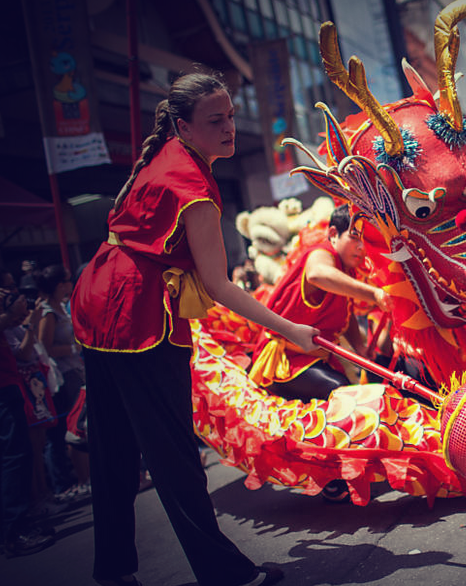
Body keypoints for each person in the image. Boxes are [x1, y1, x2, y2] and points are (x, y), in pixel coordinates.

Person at [70, 72, 318, 586]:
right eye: (216, 120)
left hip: (98, 297)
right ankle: (225, 574)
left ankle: (113, 571)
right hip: (133, 312)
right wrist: (289, 328)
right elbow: (220, 286)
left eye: (230, 115)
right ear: (183, 126)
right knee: (173, 453)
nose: (230, 127)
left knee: (115, 447)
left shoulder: (168, 158)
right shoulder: (192, 186)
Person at [248, 205, 390, 402]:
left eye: (365, 240)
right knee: (343, 395)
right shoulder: (321, 253)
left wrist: (360, 348)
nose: (361, 247)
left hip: (315, 357)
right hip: (285, 360)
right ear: (333, 233)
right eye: (354, 237)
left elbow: (345, 316)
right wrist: (375, 294)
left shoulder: (346, 268)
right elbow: (317, 274)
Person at [0, 282, 55, 557]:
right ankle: (14, 531)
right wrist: (16, 316)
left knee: (18, 454)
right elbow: (22, 349)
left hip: (10, 384)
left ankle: (19, 524)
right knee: (14, 457)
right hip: (3, 386)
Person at [35, 264, 87, 499]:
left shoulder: (60, 307)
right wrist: (73, 347)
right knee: (71, 429)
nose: (70, 283)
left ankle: (79, 478)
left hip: (74, 371)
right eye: (66, 280)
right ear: (59, 285)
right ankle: (66, 484)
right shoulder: (48, 312)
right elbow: (44, 349)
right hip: (63, 377)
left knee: (78, 426)